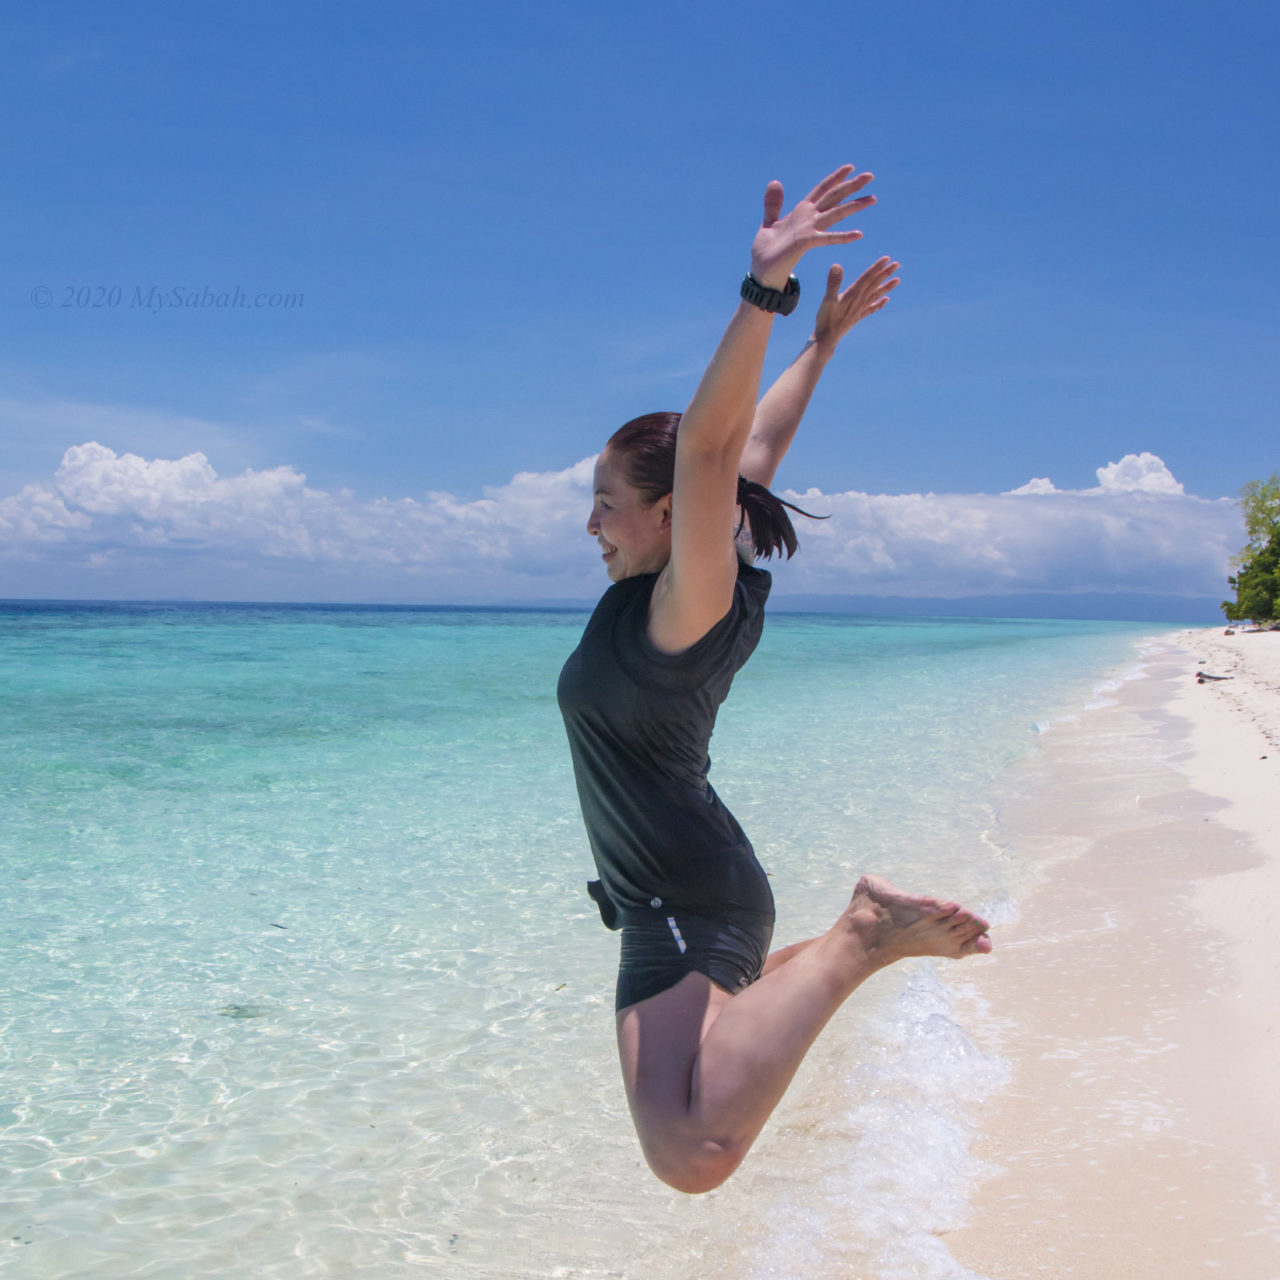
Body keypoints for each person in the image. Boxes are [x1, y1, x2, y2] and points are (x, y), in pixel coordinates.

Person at [557, 165, 992, 1195]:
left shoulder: (686, 601)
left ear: (666, 515)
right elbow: (744, 454)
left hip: (681, 892)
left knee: (690, 1150)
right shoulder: (678, 577)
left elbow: (712, 452)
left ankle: (859, 935)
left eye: (605, 502)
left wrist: (763, 291)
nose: (590, 523)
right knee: (686, 1130)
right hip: (684, 889)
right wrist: (821, 344)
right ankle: (850, 940)